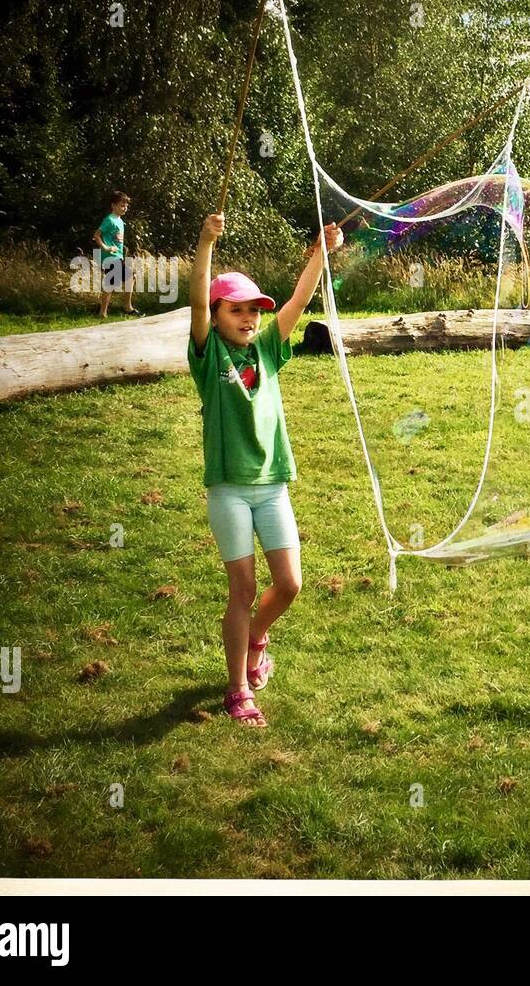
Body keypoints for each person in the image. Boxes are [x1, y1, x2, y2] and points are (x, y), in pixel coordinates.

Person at [188, 211, 342, 727]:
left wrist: (320, 253)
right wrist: (206, 244)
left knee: (291, 584)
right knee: (243, 589)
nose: (249, 319)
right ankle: (237, 689)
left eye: (254, 311)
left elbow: (298, 301)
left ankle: (256, 637)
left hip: (272, 486)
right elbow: (196, 306)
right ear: (218, 313)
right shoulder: (208, 356)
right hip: (229, 489)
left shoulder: (269, 350)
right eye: (237, 311)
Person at [94, 190, 139, 317]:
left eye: (126, 206)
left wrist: (122, 248)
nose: (125, 208)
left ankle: (103, 312)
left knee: (111, 283)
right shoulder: (109, 219)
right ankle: (127, 307)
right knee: (131, 277)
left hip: (117, 256)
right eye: (122, 205)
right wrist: (106, 248)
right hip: (110, 257)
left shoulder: (119, 220)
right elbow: (96, 235)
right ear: (113, 206)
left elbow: (114, 238)